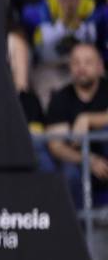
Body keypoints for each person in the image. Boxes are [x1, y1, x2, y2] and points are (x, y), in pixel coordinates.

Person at [45, 43, 108, 206]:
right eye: (76, 63)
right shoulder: (60, 98)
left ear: (100, 66)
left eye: (88, 62)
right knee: (68, 174)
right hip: (78, 162)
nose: (82, 68)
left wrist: (88, 118)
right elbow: (56, 146)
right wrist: (89, 159)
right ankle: (77, 228)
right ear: (70, 67)